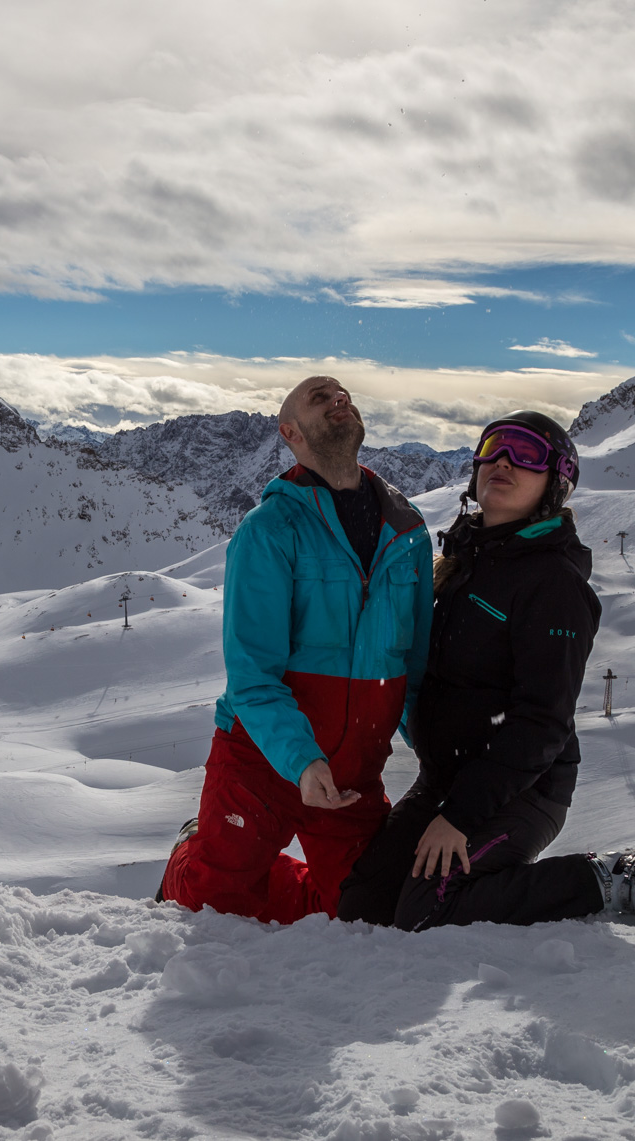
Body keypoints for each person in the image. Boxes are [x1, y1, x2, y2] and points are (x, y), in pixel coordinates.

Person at [337, 411, 635, 931]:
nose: (504, 461)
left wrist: (460, 818)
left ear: (554, 485)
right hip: (444, 780)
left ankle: (615, 878)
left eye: (528, 454)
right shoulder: (462, 561)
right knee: (363, 904)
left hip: (524, 789)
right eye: (494, 446)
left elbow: (543, 722)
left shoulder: (553, 584)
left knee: (429, 908)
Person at [156, 375, 432, 923]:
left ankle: (255, 867)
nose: (338, 399)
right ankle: (194, 849)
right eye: (318, 397)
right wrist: (303, 762)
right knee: (212, 899)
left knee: (356, 910)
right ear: (290, 432)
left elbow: (415, 667)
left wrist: (436, 750)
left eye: (343, 394)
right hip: (260, 758)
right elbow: (253, 676)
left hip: (352, 772)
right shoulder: (269, 530)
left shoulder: (408, 533)